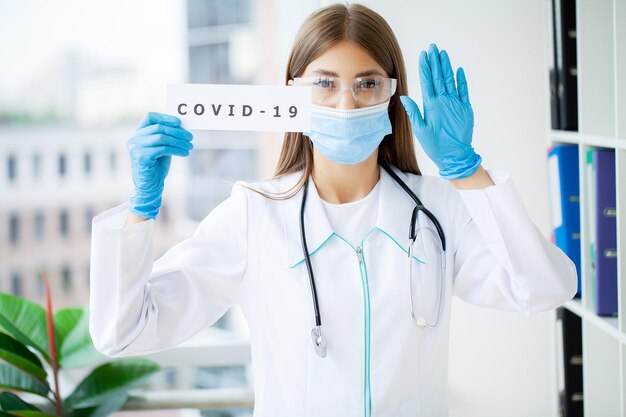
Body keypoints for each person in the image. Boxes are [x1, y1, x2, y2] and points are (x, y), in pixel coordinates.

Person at [89, 3, 577, 416]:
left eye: (367, 84)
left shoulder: (436, 212)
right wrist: (140, 210)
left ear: (391, 96)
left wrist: (467, 171)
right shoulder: (254, 215)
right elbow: (123, 333)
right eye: (325, 84)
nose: (346, 105)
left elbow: (546, 287)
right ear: (291, 94)